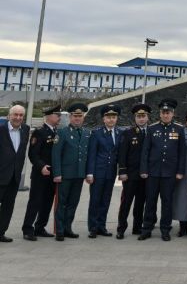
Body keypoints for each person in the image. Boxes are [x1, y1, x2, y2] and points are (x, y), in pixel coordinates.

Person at [138, 99, 186, 242]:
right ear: (160, 114)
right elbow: (145, 151)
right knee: (150, 202)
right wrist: (144, 169)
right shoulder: (152, 129)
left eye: (168, 113)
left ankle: (165, 229)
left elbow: (182, 152)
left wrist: (180, 171)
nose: (166, 115)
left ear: (173, 114)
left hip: (169, 173)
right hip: (153, 172)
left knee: (167, 202)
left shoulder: (179, 129)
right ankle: (147, 228)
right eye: (164, 113)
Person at [52, 102, 91, 241]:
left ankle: (68, 228)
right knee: (62, 202)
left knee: (73, 202)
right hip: (65, 175)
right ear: (70, 117)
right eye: (75, 116)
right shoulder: (62, 132)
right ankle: (60, 230)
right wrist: (57, 173)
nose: (77, 119)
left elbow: (87, 154)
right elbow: (56, 154)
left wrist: (87, 173)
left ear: (83, 118)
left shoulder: (87, 133)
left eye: (80, 116)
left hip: (79, 174)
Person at [22, 104, 61, 240]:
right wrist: (41, 166)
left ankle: (40, 227)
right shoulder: (40, 132)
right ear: (49, 116)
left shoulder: (56, 132)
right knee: (35, 201)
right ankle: (27, 229)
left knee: (47, 202)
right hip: (41, 173)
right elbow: (33, 154)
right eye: (57, 115)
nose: (59, 118)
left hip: (52, 174)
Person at [86, 103, 122, 238]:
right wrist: (90, 173)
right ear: (103, 119)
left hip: (111, 172)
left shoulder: (119, 133)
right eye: (108, 117)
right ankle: (93, 227)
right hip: (98, 172)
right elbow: (92, 154)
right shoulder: (96, 133)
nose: (111, 119)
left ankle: (102, 226)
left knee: (106, 200)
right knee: (95, 200)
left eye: (114, 117)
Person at [116, 102, 151, 239]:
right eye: (138, 116)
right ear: (135, 118)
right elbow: (122, 154)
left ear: (148, 117)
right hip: (130, 175)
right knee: (126, 203)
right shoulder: (128, 133)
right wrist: (122, 171)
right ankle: (121, 228)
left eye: (143, 116)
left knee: (140, 203)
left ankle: (137, 227)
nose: (141, 119)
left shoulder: (152, 132)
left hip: (145, 175)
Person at [0, 104, 30, 242]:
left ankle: (1, 232)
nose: (18, 117)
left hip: (14, 177)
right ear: (9, 116)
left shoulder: (25, 129)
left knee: (8, 207)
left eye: (21, 115)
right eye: (15, 114)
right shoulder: (1, 129)